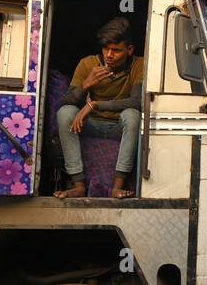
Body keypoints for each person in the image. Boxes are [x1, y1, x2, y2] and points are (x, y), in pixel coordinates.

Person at [54, 18, 144, 199]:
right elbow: (66, 101)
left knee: (133, 115)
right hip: (92, 125)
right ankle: (79, 186)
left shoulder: (139, 65)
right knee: (65, 113)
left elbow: (137, 102)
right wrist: (86, 85)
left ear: (129, 50)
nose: (109, 55)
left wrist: (94, 104)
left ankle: (117, 187)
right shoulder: (88, 64)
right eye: (106, 49)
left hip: (119, 127)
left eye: (116, 50)